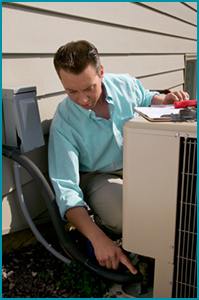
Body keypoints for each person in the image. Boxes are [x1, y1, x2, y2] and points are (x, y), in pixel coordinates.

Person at [48, 40, 189, 274]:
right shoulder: (64, 121)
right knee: (128, 214)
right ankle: (115, 231)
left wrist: (165, 100)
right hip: (97, 176)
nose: (83, 99)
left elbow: (146, 98)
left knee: (176, 197)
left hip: (137, 164)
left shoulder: (125, 84)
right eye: (72, 91)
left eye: (89, 88)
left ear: (101, 73)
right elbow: (66, 189)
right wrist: (98, 238)